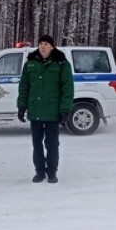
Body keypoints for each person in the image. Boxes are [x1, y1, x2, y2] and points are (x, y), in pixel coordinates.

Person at [16, 35, 73, 183]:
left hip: (53, 111)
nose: (43, 46)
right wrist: (22, 106)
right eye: (41, 43)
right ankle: (39, 171)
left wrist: (65, 109)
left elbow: (67, 88)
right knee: (37, 143)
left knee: (52, 144)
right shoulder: (30, 63)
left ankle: (52, 172)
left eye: (46, 44)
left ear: (52, 46)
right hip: (35, 110)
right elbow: (24, 86)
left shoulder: (61, 63)